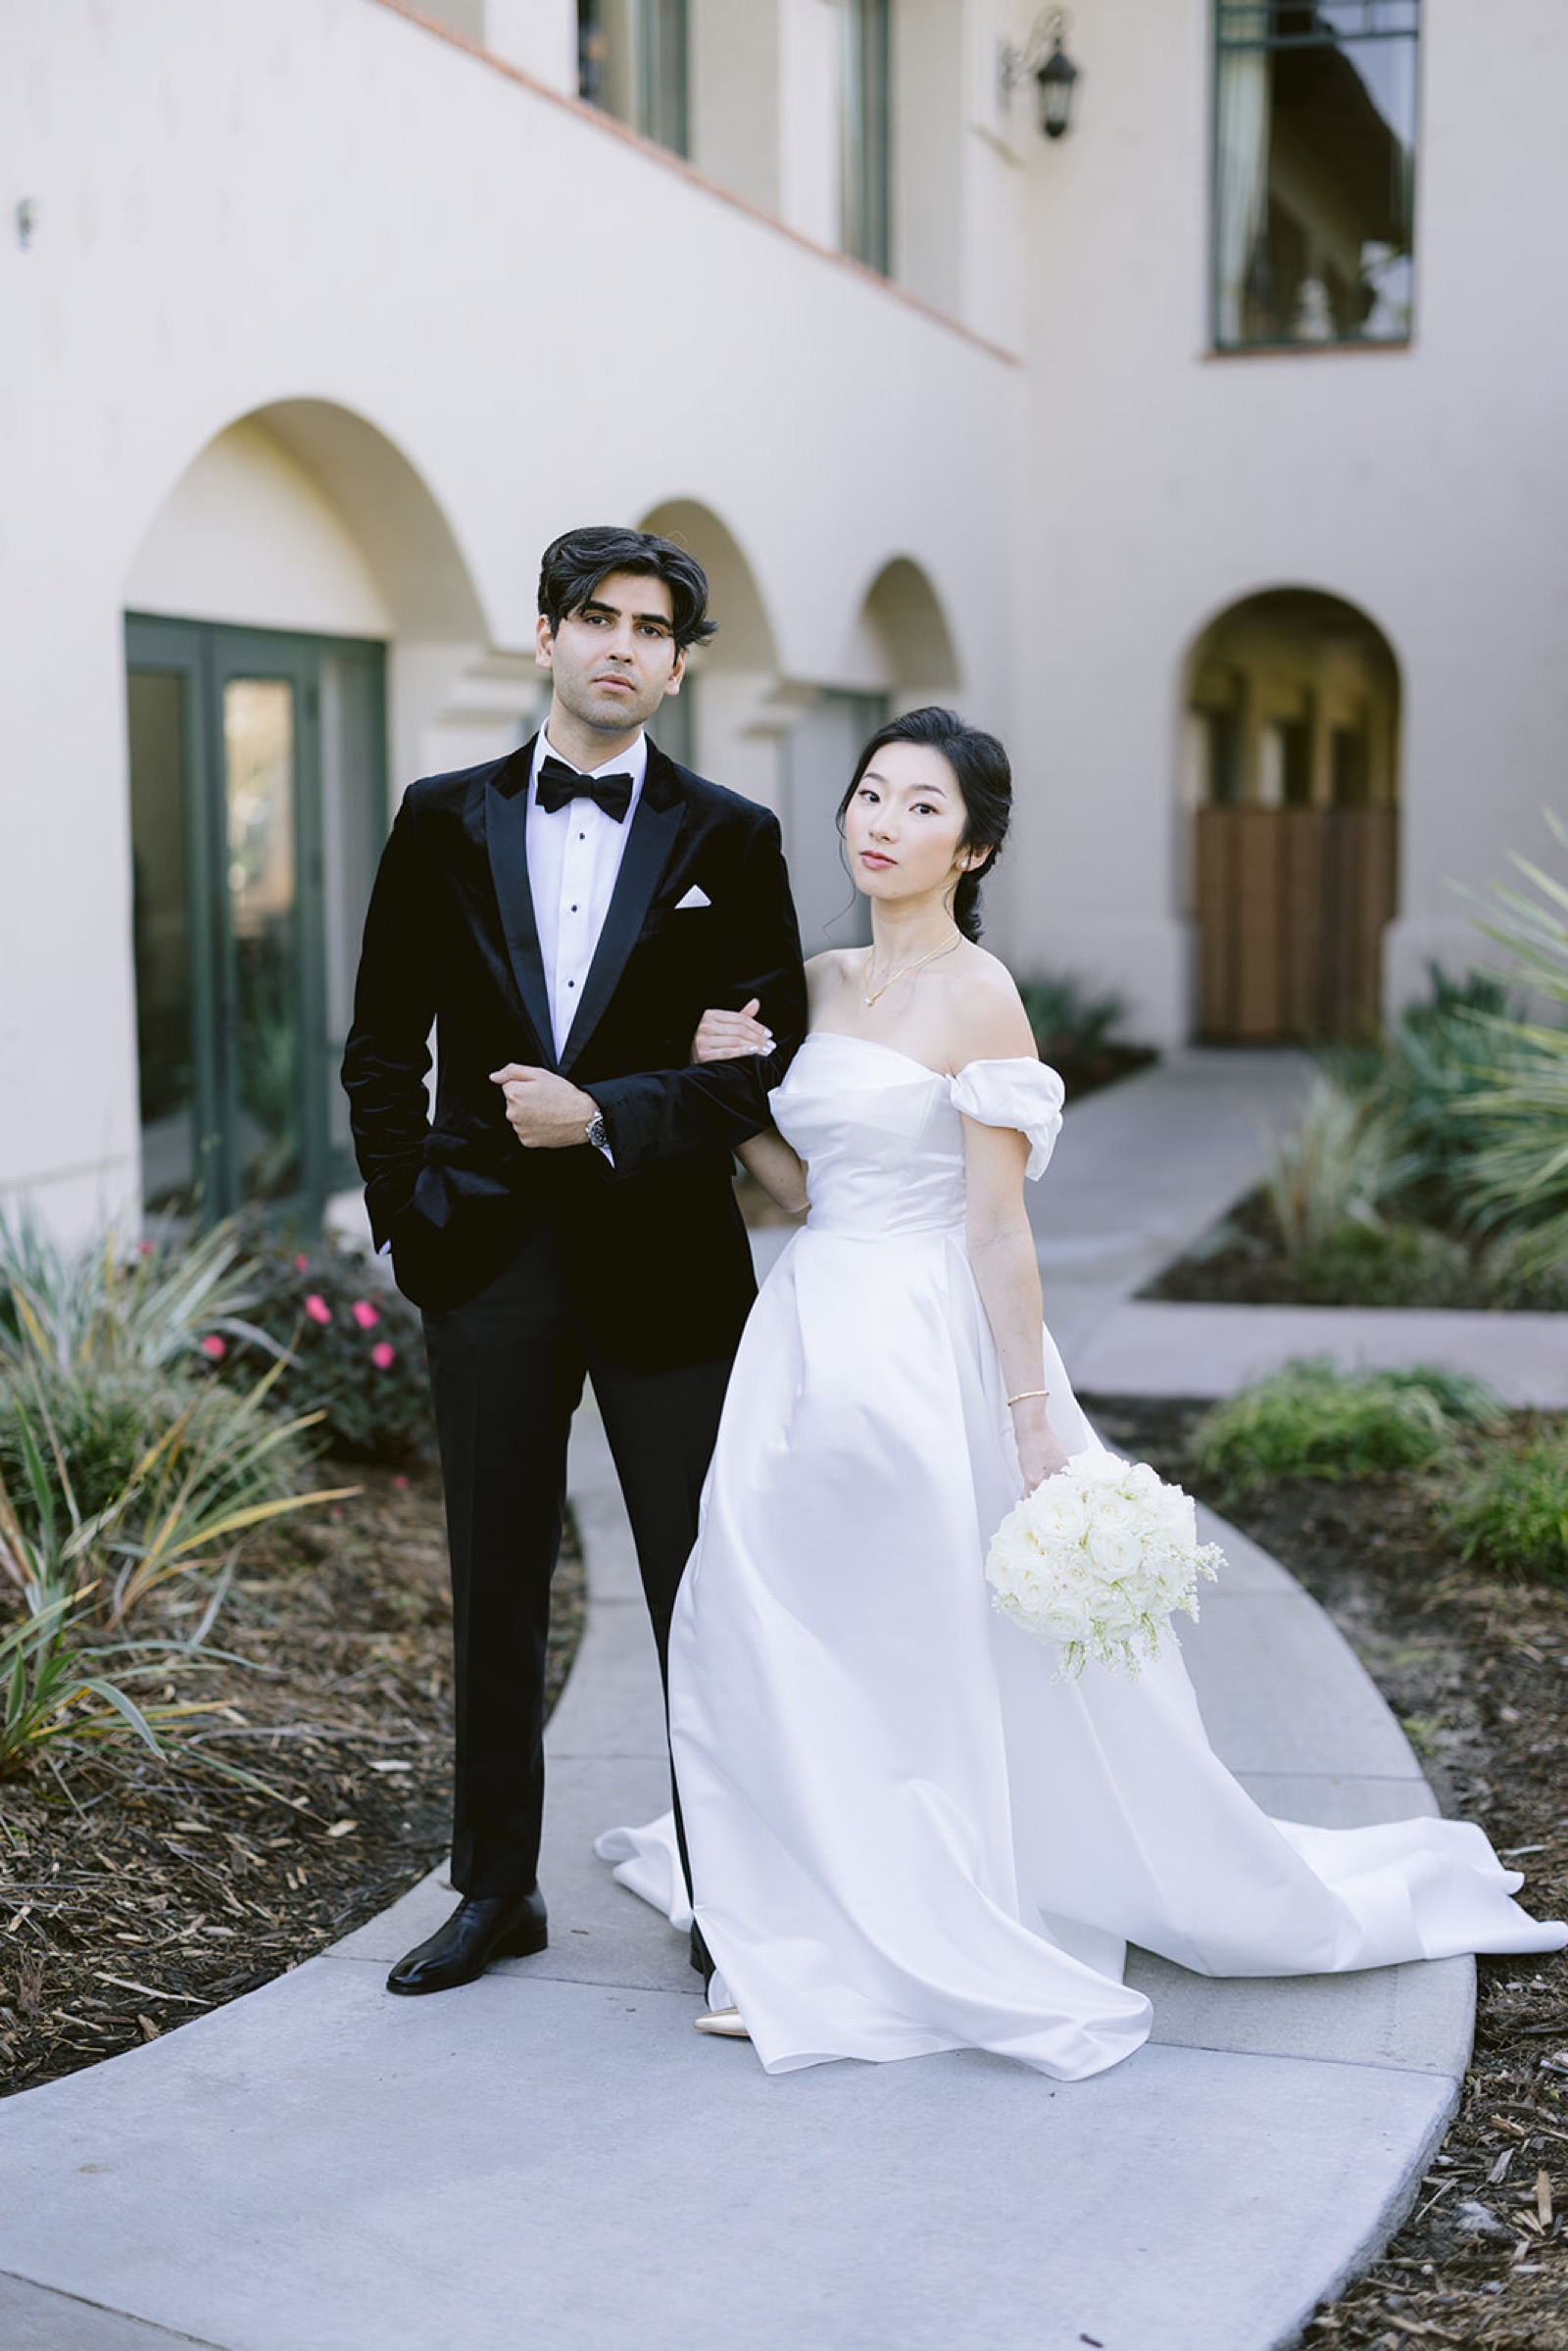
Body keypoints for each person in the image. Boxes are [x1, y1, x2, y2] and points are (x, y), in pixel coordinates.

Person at [598, 705, 1566, 2076]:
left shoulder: (982, 998)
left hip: (925, 1342)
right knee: (766, 1609)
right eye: (870, 795)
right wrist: (736, 1105)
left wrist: (1029, 1417)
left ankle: (894, 1930)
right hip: (808, 1329)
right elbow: (805, 1193)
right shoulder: (810, 981)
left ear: (974, 845)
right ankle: (801, 1907)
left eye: (921, 807)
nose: (881, 822)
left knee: (909, 1633)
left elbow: (996, 1230)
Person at [343, 525, 807, 1995]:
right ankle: (495, 1892)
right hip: (483, 1255)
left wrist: (603, 1112)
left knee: (698, 1583)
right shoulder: (439, 818)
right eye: (592, 617)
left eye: (650, 627)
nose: (618, 644)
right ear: (545, 637)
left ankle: (728, 1895)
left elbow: (755, 1075)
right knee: (494, 1579)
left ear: (677, 668)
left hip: (666, 1258)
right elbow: (376, 1050)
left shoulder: (732, 841)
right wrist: (411, 1222)